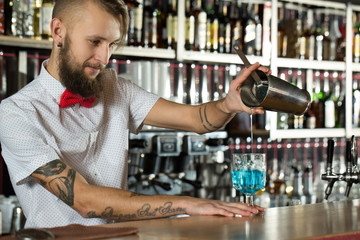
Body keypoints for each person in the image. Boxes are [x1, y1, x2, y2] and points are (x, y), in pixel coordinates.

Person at [0, 0, 269, 229]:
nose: (104, 57)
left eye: (112, 44)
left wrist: (229, 103)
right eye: (95, 41)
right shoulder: (16, 114)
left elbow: (196, 119)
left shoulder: (115, 88)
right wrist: (186, 203)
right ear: (58, 31)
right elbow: (84, 201)